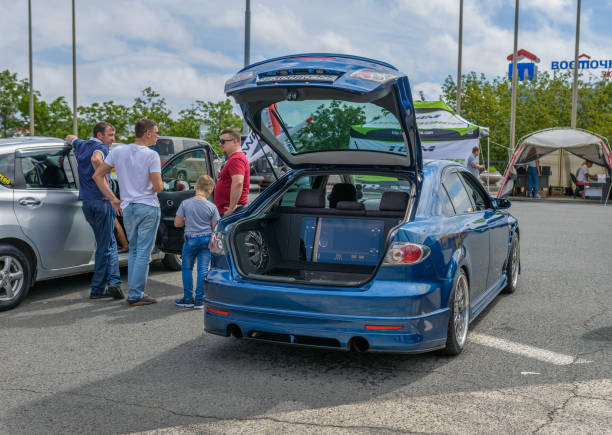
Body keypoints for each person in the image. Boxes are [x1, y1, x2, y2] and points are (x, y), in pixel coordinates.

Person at [92, 119, 163, 306]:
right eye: (156, 132)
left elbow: (97, 175)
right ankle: (136, 294)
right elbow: (158, 186)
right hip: (147, 206)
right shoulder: (151, 155)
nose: (157, 135)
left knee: (134, 251)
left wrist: (112, 198)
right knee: (143, 253)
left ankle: (135, 291)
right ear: (147, 133)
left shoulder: (118, 151)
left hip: (127, 208)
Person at [65, 123, 124, 300]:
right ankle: (109, 284)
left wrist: (74, 140)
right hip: (101, 202)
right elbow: (96, 160)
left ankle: (100, 287)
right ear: (100, 135)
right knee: (109, 246)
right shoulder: (101, 147)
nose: (113, 139)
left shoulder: (82, 144)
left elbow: (69, 138)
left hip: (87, 203)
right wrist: (111, 195)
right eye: (110, 135)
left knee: (104, 244)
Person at [173, 175, 220, 309]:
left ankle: (188, 299)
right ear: (210, 191)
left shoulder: (185, 203)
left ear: (195, 187)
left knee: (187, 268)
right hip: (206, 239)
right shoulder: (212, 207)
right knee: (203, 269)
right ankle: (200, 300)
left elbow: (177, 223)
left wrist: (187, 220)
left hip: (190, 240)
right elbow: (215, 226)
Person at [214, 128, 250, 216]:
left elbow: (238, 183)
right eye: (220, 141)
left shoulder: (236, 159)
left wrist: (231, 208)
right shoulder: (235, 158)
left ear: (235, 141)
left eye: (223, 141)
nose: (220, 144)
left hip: (232, 213)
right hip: (232, 211)